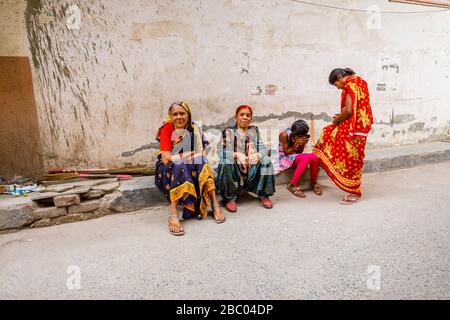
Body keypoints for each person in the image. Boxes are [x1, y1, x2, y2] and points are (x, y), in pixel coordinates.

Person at [155, 101, 225, 236]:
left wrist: (189, 156)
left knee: (203, 162)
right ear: (170, 116)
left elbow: (202, 152)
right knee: (180, 164)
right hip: (168, 168)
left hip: (190, 162)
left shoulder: (194, 129)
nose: (179, 117)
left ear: (188, 114)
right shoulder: (167, 129)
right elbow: (166, 158)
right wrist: (187, 154)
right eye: (175, 114)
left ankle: (215, 204)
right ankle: (173, 211)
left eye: (182, 113)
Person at [313, 68, 373, 205]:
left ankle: (354, 191)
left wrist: (337, 120)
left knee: (345, 153)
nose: (337, 88)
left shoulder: (349, 85)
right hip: (361, 127)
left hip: (353, 129)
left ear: (340, 78)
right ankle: (353, 188)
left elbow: (348, 110)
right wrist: (342, 116)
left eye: (336, 85)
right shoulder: (360, 81)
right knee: (355, 158)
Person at [216, 105, 275, 212]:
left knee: (266, 159)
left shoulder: (254, 130)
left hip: (250, 165)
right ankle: (229, 199)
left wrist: (258, 155)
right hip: (235, 167)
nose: (244, 117)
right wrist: (237, 155)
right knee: (225, 161)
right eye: (241, 114)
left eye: (248, 115)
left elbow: (261, 147)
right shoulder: (228, 132)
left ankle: (264, 195)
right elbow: (221, 152)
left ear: (251, 118)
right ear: (236, 118)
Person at [276, 119, 322, 198]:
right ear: (294, 133)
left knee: (314, 157)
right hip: (283, 158)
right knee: (306, 158)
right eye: (300, 136)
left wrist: (302, 144)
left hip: (293, 157)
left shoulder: (299, 136)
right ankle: (292, 184)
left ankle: (313, 183)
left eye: (303, 135)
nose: (302, 137)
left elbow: (299, 152)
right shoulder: (284, 135)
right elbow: (286, 152)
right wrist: (295, 144)